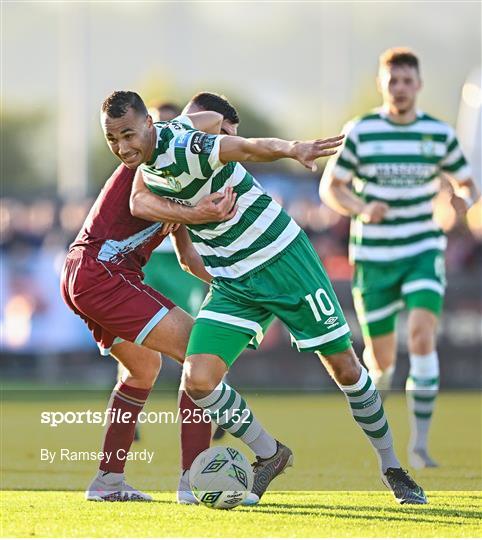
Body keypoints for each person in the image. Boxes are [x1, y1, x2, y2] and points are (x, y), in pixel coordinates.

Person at [102, 89, 428, 505]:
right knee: (198, 380)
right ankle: (270, 455)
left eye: (128, 135)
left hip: (285, 262)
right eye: (113, 140)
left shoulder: (187, 145)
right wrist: (198, 217)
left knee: (345, 368)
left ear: (149, 124)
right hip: (234, 282)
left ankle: (392, 467)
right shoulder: (150, 169)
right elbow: (146, 210)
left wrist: (293, 148)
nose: (122, 148)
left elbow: (247, 147)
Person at [320, 47, 480, 469]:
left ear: (419, 85)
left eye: (408, 81)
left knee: (424, 336)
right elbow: (330, 188)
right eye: (394, 81)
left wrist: (460, 204)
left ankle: (421, 446)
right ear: (382, 84)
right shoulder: (361, 131)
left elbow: (467, 185)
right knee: (381, 362)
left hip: (422, 248)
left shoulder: (438, 134)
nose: (402, 88)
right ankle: (380, 432)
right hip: (374, 256)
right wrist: (360, 208)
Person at [60, 135, 237, 502]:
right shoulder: (149, 166)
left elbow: (189, 260)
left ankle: (107, 481)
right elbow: (142, 202)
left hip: (86, 274)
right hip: (101, 273)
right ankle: (194, 482)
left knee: (142, 369)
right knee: (197, 349)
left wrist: (234, 286)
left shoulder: (181, 185)